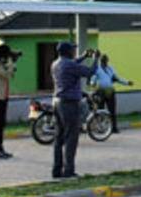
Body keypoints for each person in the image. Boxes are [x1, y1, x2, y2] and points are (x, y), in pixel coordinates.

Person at [51, 42, 99, 179]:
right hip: (69, 104)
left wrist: (84, 56)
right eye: (73, 49)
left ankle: (57, 170)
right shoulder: (70, 65)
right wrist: (95, 59)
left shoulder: (56, 63)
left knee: (59, 138)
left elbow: (73, 64)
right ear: (68, 51)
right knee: (71, 138)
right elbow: (90, 72)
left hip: (57, 102)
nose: (74, 51)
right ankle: (69, 171)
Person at [89, 53, 132, 133]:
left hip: (110, 91)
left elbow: (117, 78)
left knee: (112, 110)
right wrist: (92, 83)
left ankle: (114, 128)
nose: (104, 63)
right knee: (100, 110)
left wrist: (127, 82)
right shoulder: (97, 69)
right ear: (100, 61)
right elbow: (93, 79)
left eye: (105, 61)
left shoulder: (110, 69)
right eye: (103, 61)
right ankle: (100, 128)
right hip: (100, 91)